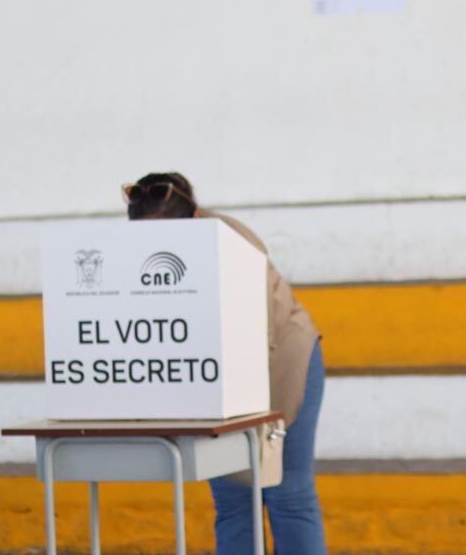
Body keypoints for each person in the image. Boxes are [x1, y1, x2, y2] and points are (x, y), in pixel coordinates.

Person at [124, 172, 327, 555]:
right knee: (234, 501)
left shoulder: (233, 245)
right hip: (218, 380)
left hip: (282, 363)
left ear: (195, 220)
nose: (157, 250)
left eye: (168, 239)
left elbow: (257, 335)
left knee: (288, 495)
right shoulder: (143, 260)